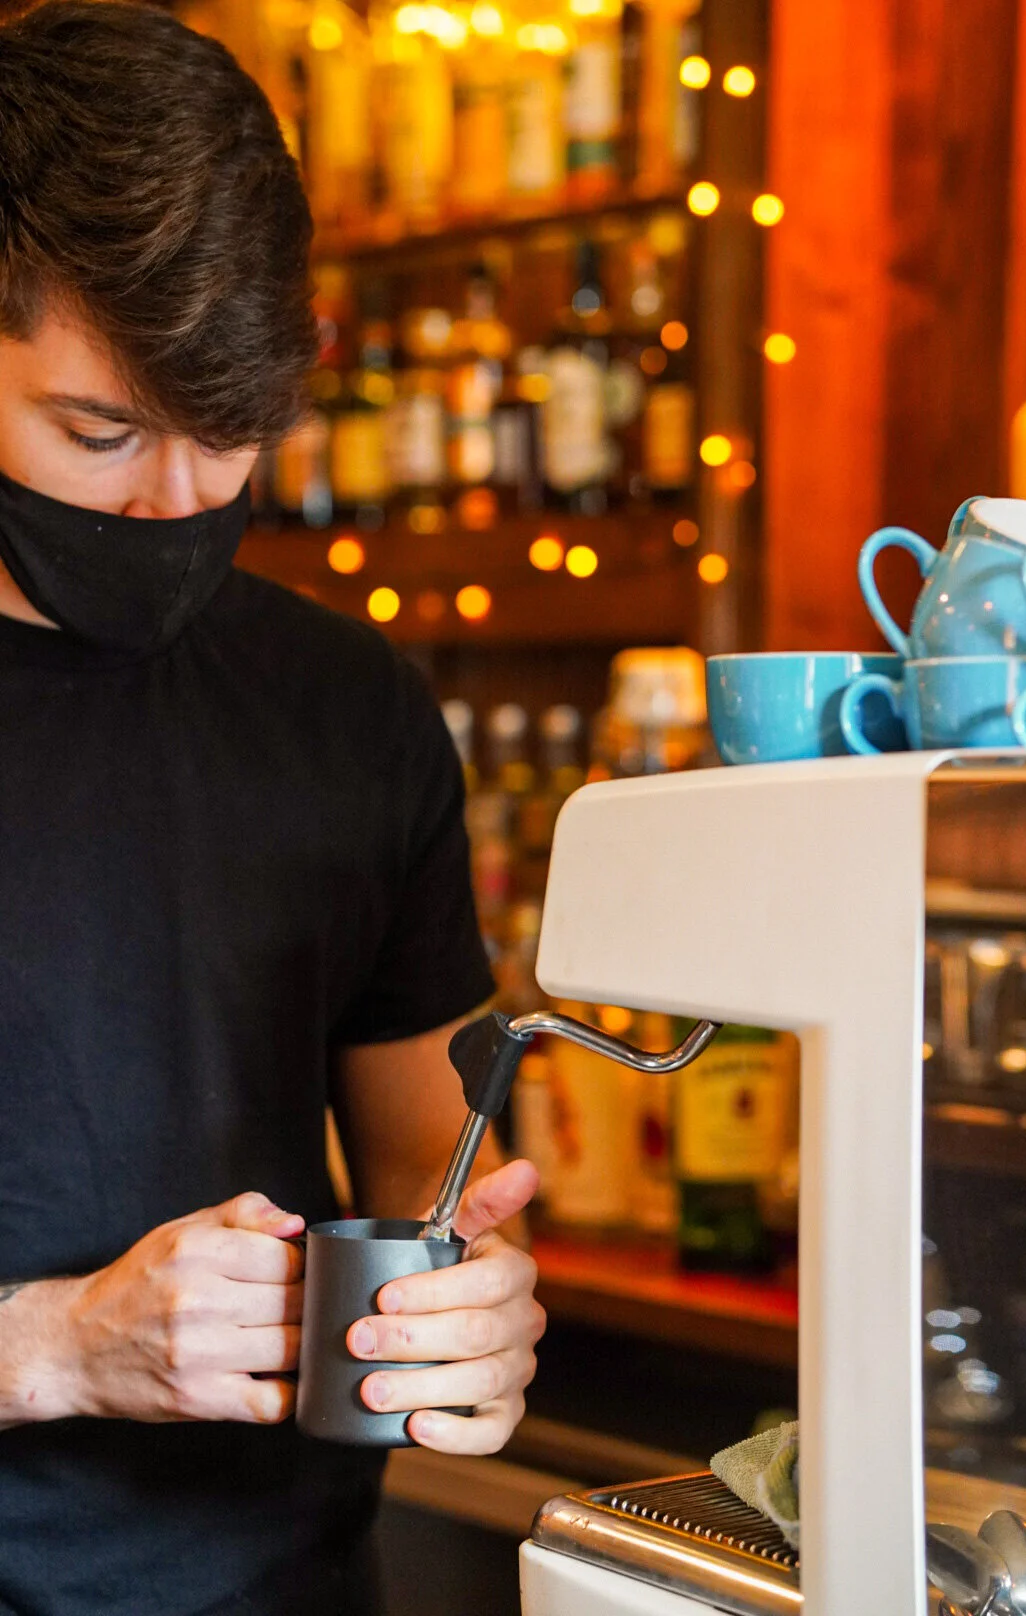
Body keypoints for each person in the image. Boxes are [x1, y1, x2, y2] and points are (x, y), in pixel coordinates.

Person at [0, 4, 545, 1612]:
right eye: (102, 434)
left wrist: (480, 1307)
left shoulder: (351, 707)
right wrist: (55, 1348)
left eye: (229, 433)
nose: (175, 502)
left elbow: (434, 1168)